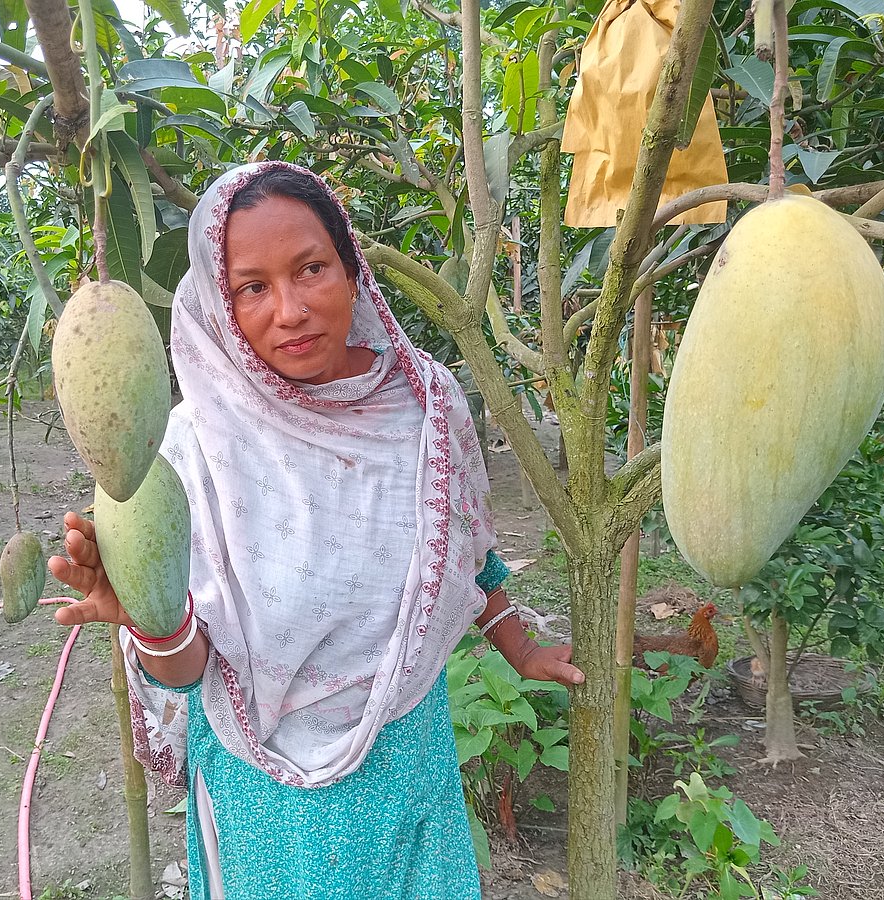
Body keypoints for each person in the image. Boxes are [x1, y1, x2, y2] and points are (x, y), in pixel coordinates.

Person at [48, 161, 584, 900]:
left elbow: (464, 549)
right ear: (220, 304)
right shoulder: (191, 451)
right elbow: (192, 673)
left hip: (405, 758)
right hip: (266, 801)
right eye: (252, 288)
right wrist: (152, 615)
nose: (291, 310)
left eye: (311, 269)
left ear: (352, 270)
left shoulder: (425, 407)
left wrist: (520, 647)